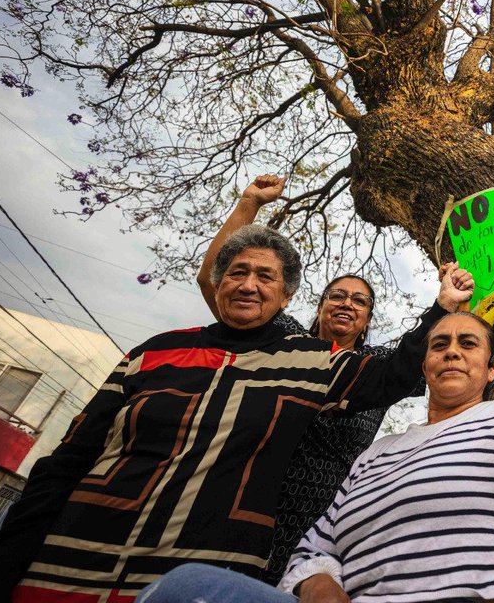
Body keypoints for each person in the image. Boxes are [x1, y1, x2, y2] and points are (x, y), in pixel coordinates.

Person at [0, 224, 473, 603]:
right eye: (237, 272)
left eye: (265, 276)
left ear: (285, 295)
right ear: (219, 286)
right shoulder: (155, 351)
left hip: (213, 567)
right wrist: (3, 560)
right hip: (68, 566)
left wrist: (444, 305)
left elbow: (402, 372)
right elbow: (68, 459)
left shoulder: (315, 363)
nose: (249, 284)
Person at [135, 255, 494, 603]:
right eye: (439, 344)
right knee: (183, 588)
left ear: (493, 369)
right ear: (422, 367)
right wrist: (322, 587)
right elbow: (315, 545)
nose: (451, 350)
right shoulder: (376, 454)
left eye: (468, 344)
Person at [194, 174, 462, 584]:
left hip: (319, 520)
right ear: (318, 307)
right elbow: (214, 282)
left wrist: (449, 295)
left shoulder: (381, 367)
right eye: (337, 295)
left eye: (359, 301)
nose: (346, 304)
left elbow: (442, 354)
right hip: (239, 496)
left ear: (368, 318)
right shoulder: (284, 338)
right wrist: (249, 203)